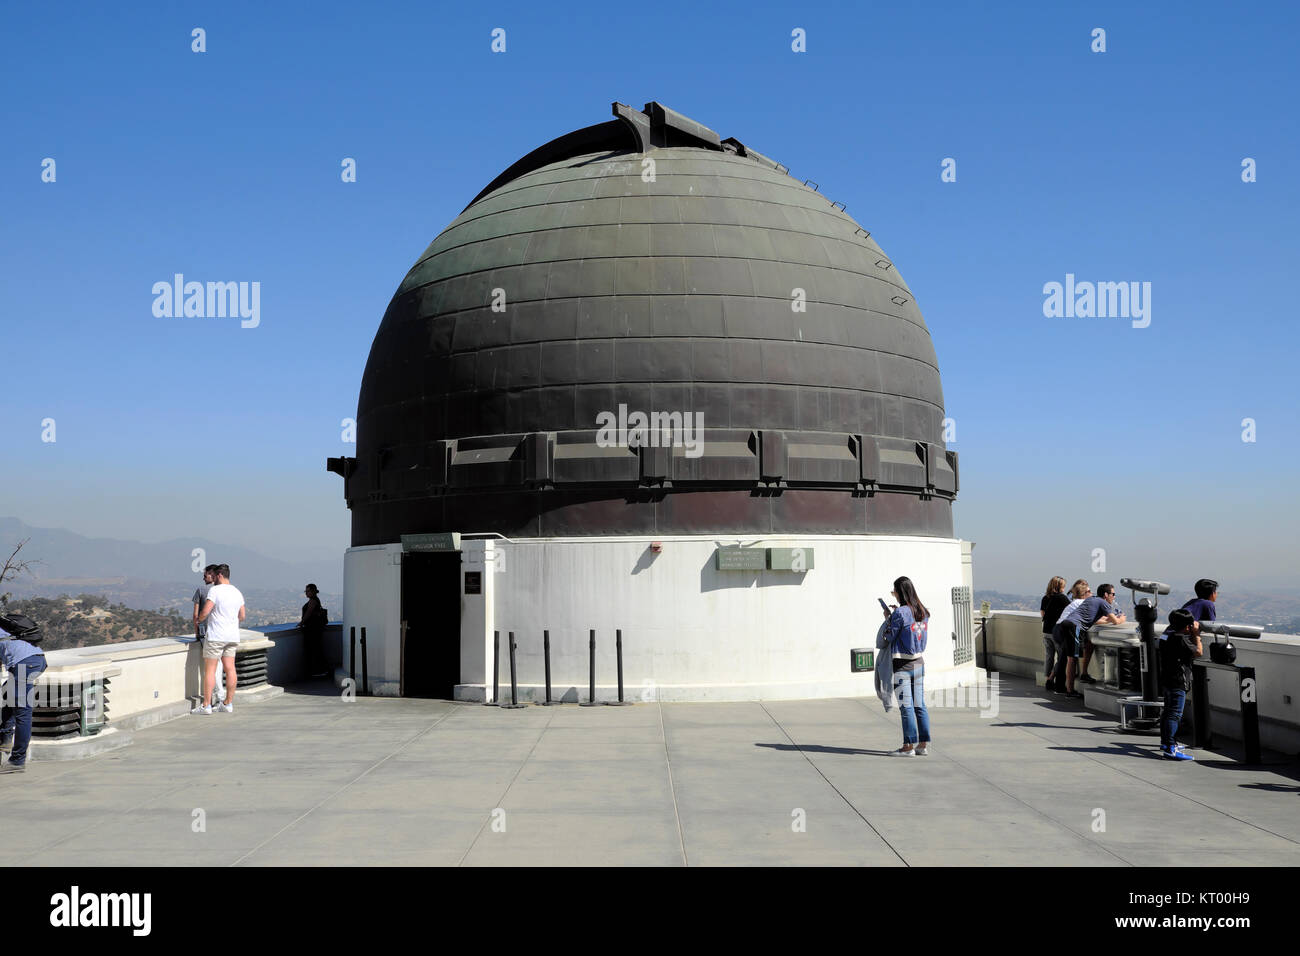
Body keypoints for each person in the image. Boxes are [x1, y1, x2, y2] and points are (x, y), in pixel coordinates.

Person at [882, 576, 931, 757]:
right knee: (920, 704)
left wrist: (889, 618)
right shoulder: (922, 611)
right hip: (919, 663)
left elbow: (888, 637)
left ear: (899, 592)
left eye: (894, 591)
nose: (893, 594)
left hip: (902, 665)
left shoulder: (900, 613)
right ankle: (922, 744)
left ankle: (908, 746)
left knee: (906, 706)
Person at [194, 564, 245, 715]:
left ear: (220, 575)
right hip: (232, 636)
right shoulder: (237, 592)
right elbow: (242, 616)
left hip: (216, 636)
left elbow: (205, 611)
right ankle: (228, 703)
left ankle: (206, 705)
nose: (213, 579)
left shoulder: (215, 590)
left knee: (210, 670)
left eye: (215, 576)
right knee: (230, 669)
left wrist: (199, 620)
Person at [0, 622, 48, 774]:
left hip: (24, 665)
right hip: (38, 659)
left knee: (23, 713)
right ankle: (5, 739)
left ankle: (17, 760)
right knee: (7, 692)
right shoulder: (4, 627)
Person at [1158, 608, 1202, 761]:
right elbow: (1198, 652)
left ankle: (1165, 742)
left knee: (1167, 712)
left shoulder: (1166, 634)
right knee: (1175, 714)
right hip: (1178, 681)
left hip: (1166, 678)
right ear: (1187, 626)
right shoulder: (1180, 639)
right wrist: (1196, 635)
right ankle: (1171, 747)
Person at [1049, 580, 1089, 693]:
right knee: (1069, 659)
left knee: (1063, 658)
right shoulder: (1082, 603)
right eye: (1089, 591)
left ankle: (1057, 684)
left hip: (1057, 629)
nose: (1091, 593)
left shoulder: (1074, 602)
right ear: (1084, 593)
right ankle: (1065, 688)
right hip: (1065, 629)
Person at [191, 565, 217, 712]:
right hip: (219, 632)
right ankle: (218, 698)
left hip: (204, 632)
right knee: (218, 667)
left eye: (206, 575)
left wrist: (196, 633)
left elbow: (196, 615)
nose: (203, 578)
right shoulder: (221, 591)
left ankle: (208, 702)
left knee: (209, 668)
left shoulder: (201, 590)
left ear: (212, 575)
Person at [1040, 576, 1070, 693]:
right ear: (1059, 586)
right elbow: (1072, 609)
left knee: (1049, 656)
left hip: (1046, 630)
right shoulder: (1062, 598)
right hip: (1056, 632)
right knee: (1062, 657)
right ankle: (1052, 677)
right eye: (1063, 585)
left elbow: (1043, 613)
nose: (1064, 588)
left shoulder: (1045, 598)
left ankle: (1048, 679)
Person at [299, 584, 327, 678]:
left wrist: (301, 623)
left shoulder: (313, 601)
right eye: (305, 591)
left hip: (313, 630)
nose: (306, 593)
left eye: (307, 591)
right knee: (316, 649)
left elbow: (308, 613)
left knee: (314, 650)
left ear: (312, 591)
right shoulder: (315, 600)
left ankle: (317, 670)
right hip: (315, 629)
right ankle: (318, 670)